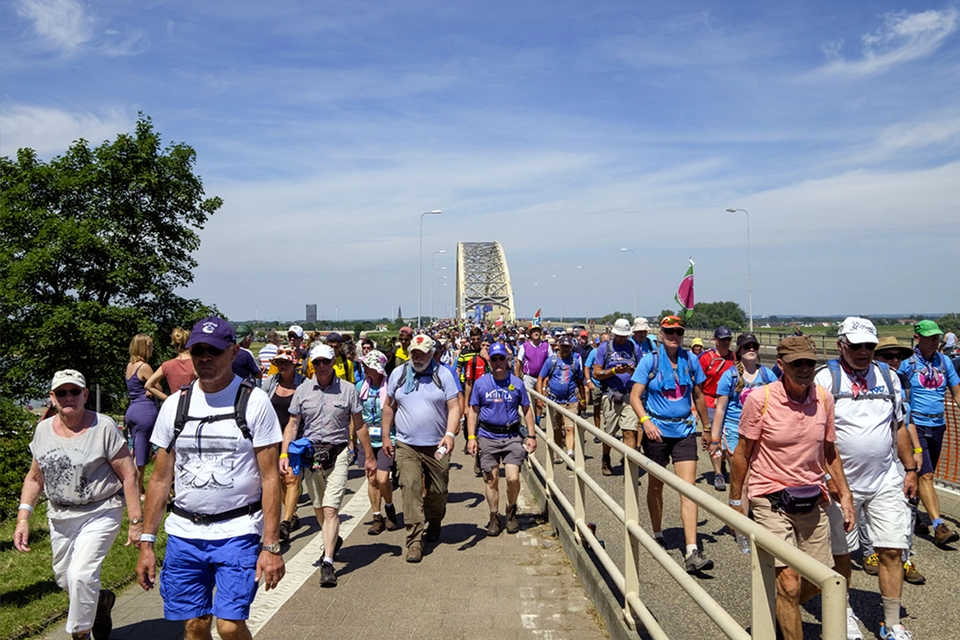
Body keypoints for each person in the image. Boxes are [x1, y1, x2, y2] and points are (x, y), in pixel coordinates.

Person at [136, 316, 285, 639]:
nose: (204, 358)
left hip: (238, 531)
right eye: (197, 350)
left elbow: (270, 477)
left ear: (232, 353)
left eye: (213, 351)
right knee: (195, 624)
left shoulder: (254, 402)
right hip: (185, 533)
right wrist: (147, 542)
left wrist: (271, 545)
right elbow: (160, 480)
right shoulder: (176, 405)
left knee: (230, 626)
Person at [729, 336, 855, 640]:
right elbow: (743, 453)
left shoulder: (824, 398)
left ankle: (777, 611)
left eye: (809, 363)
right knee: (788, 582)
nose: (804, 369)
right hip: (769, 497)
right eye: (797, 363)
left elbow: (829, 452)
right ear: (781, 365)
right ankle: (786, 617)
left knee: (816, 581)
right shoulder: (761, 399)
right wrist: (735, 504)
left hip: (812, 498)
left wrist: (845, 494)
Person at [16, 370, 143, 640]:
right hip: (60, 516)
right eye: (61, 393)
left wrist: (135, 522)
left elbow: (129, 473)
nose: (68, 397)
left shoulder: (103, 427)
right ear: (52, 398)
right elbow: (35, 477)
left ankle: (80, 633)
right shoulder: (43, 431)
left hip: (100, 510)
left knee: (81, 575)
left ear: (85, 394)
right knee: (66, 579)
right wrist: (23, 518)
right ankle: (101, 602)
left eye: (75, 391)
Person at [814, 317, 917, 640]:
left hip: (885, 477)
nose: (863, 352)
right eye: (855, 345)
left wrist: (910, 468)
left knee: (891, 549)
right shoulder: (826, 379)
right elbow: (814, 434)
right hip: (840, 483)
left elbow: (897, 426)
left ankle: (891, 621)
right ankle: (842, 614)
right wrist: (827, 478)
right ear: (841, 344)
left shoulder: (889, 378)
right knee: (841, 553)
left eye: (869, 346)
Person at [281, 343, 376, 587]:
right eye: (317, 363)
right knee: (319, 507)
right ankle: (332, 537)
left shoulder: (347, 390)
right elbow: (292, 424)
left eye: (326, 361)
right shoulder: (303, 390)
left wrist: (369, 456)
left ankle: (328, 561)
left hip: (339, 451)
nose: (321, 366)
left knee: (331, 508)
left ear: (333, 362)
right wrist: (284, 454)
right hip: (311, 455)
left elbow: (360, 424)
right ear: (311, 365)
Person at [629, 315, 713, 574]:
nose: (674, 336)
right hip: (657, 431)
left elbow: (698, 394)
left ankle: (691, 550)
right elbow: (635, 395)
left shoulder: (691, 360)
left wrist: (707, 428)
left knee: (688, 489)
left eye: (678, 332)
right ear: (661, 335)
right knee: (657, 485)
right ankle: (657, 532)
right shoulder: (649, 360)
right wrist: (645, 421)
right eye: (669, 332)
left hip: (685, 430)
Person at [381, 334, 461, 563]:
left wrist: (450, 434)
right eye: (413, 353)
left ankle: (434, 520)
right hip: (407, 445)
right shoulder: (399, 374)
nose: (417, 358)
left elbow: (454, 407)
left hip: (437, 444)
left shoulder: (443, 375)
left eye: (422, 354)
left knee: (437, 492)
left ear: (431, 353)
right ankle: (414, 540)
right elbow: (389, 407)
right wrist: (387, 436)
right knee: (410, 488)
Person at [899, 319, 960, 547]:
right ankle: (938, 526)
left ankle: (912, 516)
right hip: (915, 426)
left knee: (925, 473)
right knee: (926, 475)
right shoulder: (907, 363)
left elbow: (956, 390)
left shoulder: (944, 362)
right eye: (930, 337)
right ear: (918, 338)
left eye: (937, 337)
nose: (936, 341)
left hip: (939, 424)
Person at [468, 342, 537, 536]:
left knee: (513, 477)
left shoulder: (517, 383)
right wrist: (471, 437)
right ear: (489, 361)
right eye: (494, 359)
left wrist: (531, 435)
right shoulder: (481, 384)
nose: (498, 362)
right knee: (492, 479)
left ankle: (512, 510)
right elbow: (473, 411)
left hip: (512, 436)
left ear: (507, 361)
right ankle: (494, 517)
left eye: (502, 358)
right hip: (488, 436)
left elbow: (526, 409)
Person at [709, 333, 776, 508]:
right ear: (739, 351)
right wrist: (715, 439)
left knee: (758, 479)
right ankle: (741, 526)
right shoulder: (729, 376)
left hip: (761, 431)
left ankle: (753, 519)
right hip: (734, 431)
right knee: (741, 481)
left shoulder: (767, 375)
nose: (751, 349)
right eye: (747, 346)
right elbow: (720, 409)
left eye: (754, 346)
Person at [262, 349, 306, 541]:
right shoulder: (270, 383)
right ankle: (293, 513)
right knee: (280, 480)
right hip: (272, 438)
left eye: (286, 362)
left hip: (297, 438)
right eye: (279, 362)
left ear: (294, 364)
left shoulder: (303, 384)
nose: (282, 365)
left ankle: (285, 522)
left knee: (291, 477)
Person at [356, 350, 400, 535]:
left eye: (368, 365)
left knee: (383, 479)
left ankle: (389, 506)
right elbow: (355, 415)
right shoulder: (360, 387)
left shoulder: (390, 388)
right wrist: (352, 440)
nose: (364, 367)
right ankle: (377, 516)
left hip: (386, 438)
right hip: (366, 438)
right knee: (372, 479)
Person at [593, 318, 642, 476]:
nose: (622, 338)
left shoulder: (634, 348)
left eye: (625, 336)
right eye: (619, 335)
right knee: (610, 434)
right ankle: (606, 457)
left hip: (629, 395)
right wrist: (614, 371)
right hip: (611, 394)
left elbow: (642, 373)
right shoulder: (604, 348)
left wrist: (632, 371)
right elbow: (597, 373)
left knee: (629, 431)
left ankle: (629, 467)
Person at [536, 335, 585, 462]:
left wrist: (583, 400)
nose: (565, 349)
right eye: (563, 346)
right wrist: (540, 397)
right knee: (556, 428)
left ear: (571, 347)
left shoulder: (574, 361)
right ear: (559, 346)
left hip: (571, 400)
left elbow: (580, 381)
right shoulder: (551, 361)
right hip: (554, 400)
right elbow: (540, 378)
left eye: (568, 347)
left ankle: (569, 453)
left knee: (569, 428)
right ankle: (558, 453)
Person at [700, 327, 736, 491]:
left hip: (730, 402)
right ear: (715, 340)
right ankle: (717, 473)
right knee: (715, 437)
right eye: (722, 340)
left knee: (726, 436)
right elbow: (698, 385)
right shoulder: (707, 358)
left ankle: (723, 466)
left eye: (728, 339)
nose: (725, 343)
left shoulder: (735, 358)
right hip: (711, 402)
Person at [125, 333, 159, 498]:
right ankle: (137, 490)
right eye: (150, 346)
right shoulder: (144, 367)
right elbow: (157, 387)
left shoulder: (129, 366)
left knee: (135, 451)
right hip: (144, 411)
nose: (152, 349)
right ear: (144, 348)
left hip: (132, 410)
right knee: (142, 454)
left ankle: (135, 487)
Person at [144, 327, 197, 402]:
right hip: (194, 403)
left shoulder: (166, 365)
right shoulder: (197, 363)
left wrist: (167, 399)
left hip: (176, 405)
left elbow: (148, 385)